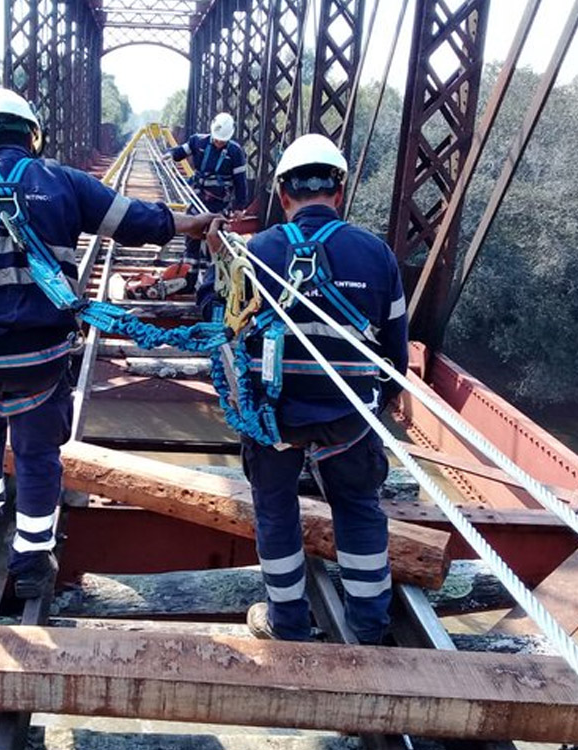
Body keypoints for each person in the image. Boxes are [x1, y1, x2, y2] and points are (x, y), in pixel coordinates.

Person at [0, 88, 216, 598]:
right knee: (38, 452)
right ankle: (32, 561)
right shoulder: (65, 182)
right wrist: (191, 225)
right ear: (33, 135)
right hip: (41, 357)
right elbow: (135, 221)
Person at [200, 133, 408, 644]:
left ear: (282, 193)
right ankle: (369, 625)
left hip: (274, 417)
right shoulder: (377, 255)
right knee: (358, 508)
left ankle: (287, 622)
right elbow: (396, 356)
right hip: (346, 417)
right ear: (338, 192)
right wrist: (374, 409)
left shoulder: (256, 251)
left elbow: (216, 325)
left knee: (275, 508)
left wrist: (214, 265)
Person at [164, 112, 248, 289]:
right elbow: (181, 152)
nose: (219, 142)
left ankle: (214, 281)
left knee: (215, 241)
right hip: (199, 199)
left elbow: (240, 182)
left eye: (222, 140)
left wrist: (240, 207)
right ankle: (189, 278)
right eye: (217, 139)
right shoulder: (198, 141)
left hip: (219, 204)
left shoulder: (235, 152)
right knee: (192, 238)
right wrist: (171, 154)